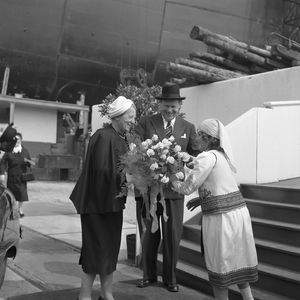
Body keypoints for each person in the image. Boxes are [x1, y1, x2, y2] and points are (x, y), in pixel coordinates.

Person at [172, 118, 258, 300]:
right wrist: (202, 201)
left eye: (199, 135)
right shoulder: (222, 156)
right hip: (237, 214)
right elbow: (220, 187)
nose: (195, 139)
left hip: (222, 219)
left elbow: (188, 187)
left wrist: (168, 178)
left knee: (220, 264)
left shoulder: (207, 157)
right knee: (237, 260)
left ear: (208, 138)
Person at [69, 96, 136, 300]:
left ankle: (107, 293)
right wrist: (129, 176)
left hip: (112, 204)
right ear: (118, 116)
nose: (133, 121)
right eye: (130, 117)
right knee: (95, 249)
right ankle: (85, 295)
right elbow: (102, 171)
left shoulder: (120, 137)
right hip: (96, 205)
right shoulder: (103, 136)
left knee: (111, 248)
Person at [135, 83, 199, 293]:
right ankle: (148, 275)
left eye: (174, 107)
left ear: (179, 105)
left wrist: (188, 160)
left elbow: (196, 155)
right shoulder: (145, 122)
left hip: (174, 192)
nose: (170, 110)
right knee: (148, 235)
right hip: (148, 191)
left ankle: (170, 278)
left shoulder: (188, 128)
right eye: (166, 106)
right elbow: (134, 148)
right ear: (159, 104)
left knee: (172, 236)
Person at [0, 132, 34, 218]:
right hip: (12, 177)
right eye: (15, 139)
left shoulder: (25, 151)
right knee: (11, 195)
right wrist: (2, 173)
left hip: (21, 176)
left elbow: (31, 162)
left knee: (21, 194)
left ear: (21, 140)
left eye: (19, 139)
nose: (17, 141)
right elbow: (3, 162)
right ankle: (12, 210)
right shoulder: (9, 151)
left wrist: (28, 163)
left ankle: (20, 210)